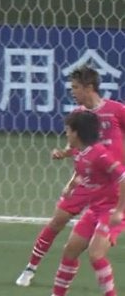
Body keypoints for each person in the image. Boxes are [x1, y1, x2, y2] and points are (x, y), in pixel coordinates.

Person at [16, 65, 125, 286]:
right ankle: (30, 268)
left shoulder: (116, 110)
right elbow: (78, 147)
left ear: (89, 87)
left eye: (75, 87)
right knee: (57, 220)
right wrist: (65, 154)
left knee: (94, 249)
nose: (72, 92)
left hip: (113, 185)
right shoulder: (78, 115)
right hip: (85, 181)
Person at [49, 111, 125, 296]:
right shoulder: (80, 153)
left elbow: (123, 177)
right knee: (70, 250)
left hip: (110, 210)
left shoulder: (100, 154)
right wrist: (71, 187)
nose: (66, 134)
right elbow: (87, 175)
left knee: (95, 254)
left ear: (76, 133)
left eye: (68, 130)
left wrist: (119, 211)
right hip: (95, 209)